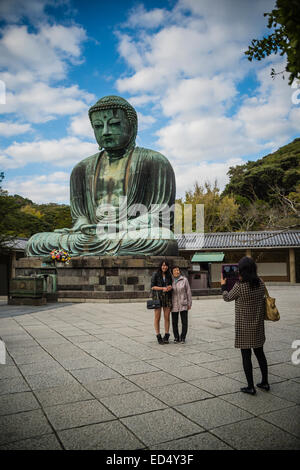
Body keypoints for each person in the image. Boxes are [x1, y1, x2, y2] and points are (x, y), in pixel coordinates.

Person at [26, 95, 178, 257]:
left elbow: (162, 216)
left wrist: (118, 227)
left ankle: (94, 250)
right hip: (90, 237)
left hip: (129, 232)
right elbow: (80, 216)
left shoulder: (154, 161)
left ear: (132, 126)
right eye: (98, 126)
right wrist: (82, 224)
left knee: (163, 239)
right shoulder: (81, 169)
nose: (105, 131)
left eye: (114, 124)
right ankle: (96, 250)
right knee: (36, 242)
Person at [221, 256, 269, 395]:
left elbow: (227, 297)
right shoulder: (261, 283)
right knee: (260, 354)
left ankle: (250, 386)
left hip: (244, 327)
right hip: (258, 325)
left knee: (246, 356)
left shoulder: (239, 287)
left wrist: (223, 285)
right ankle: (265, 382)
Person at [151, 260, 173, 344]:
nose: (165, 267)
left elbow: (171, 284)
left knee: (167, 317)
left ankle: (166, 335)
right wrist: (162, 288)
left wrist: (170, 287)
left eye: (166, 265)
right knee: (157, 317)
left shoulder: (169, 275)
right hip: (157, 297)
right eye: (163, 265)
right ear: (160, 266)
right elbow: (152, 287)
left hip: (167, 297)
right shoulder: (155, 274)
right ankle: (158, 335)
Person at [171, 266, 192, 343]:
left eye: (178, 270)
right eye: (175, 270)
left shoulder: (184, 280)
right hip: (174, 304)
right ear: (172, 272)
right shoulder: (170, 280)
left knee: (184, 322)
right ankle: (176, 337)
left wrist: (189, 303)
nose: (177, 271)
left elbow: (188, 292)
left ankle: (183, 337)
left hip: (183, 303)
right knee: (174, 322)